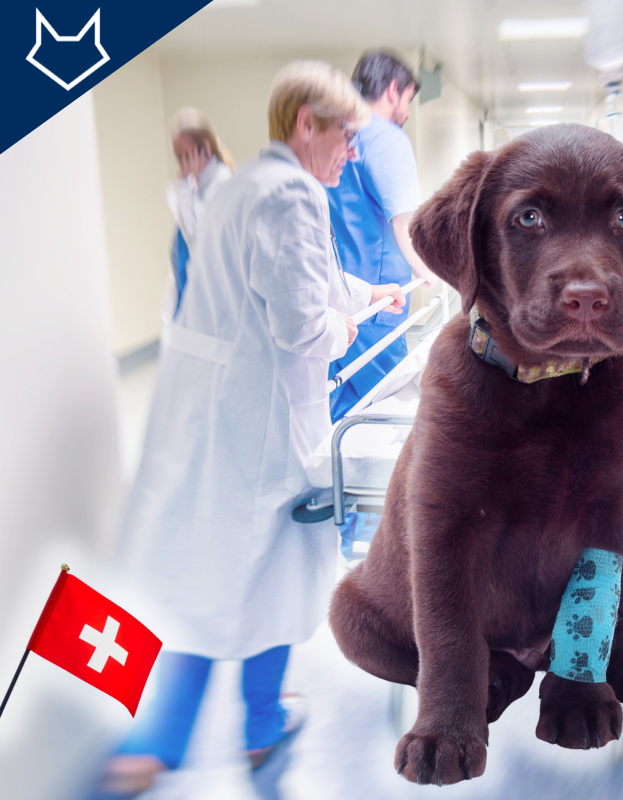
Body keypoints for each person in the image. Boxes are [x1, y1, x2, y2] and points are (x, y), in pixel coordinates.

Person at [95, 60, 406, 796]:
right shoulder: (292, 195)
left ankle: (247, 722)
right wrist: (349, 320)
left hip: (213, 411)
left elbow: (312, 278)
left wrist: (373, 294)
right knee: (246, 572)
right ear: (307, 125)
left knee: (236, 570)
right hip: (254, 423)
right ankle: (196, 738)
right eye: (347, 137)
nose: (353, 153)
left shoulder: (249, 186)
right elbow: (304, 324)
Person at [326, 50, 437, 420]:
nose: (406, 112)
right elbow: (405, 220)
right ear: (393, 90)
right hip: (378, 304)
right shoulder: (388, 139)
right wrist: (432, 270)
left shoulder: (340, 136)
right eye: (407, 100)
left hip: (337, 295)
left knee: (339, 404)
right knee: (382, 411)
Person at [164, 107, 233, 318]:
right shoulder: (198, 188)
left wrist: (184, 187)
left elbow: (197, 241)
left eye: (186, 155)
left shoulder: (221, 184)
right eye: (178, 157)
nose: (182, 165)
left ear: (205, 148)